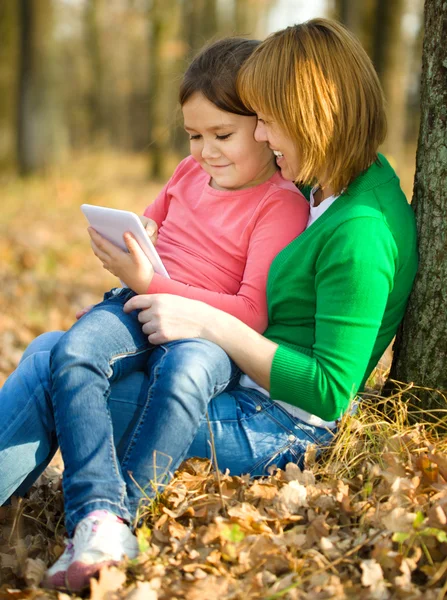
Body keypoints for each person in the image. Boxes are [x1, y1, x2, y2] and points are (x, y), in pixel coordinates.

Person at [0, 18, 418, 593]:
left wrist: (209, 322)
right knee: (55, 351)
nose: (263, 137)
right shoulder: (327, 176)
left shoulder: (361, 232)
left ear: (312, 116)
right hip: (238, 382)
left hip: (275, 422)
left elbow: (328, 390)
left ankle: (104, 519)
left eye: (268, 119)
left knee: (51, 367)